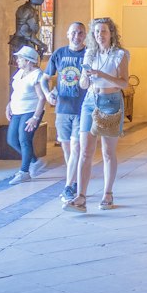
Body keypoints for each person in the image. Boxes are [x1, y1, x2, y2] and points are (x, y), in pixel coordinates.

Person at [66, 16, 129, 212]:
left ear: (111, 33)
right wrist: (85, 78)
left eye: (103, 31)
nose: (99, 35)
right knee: (85, 151)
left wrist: (101, 75)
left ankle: (107, 193)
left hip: (111, 102)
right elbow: (84, 84)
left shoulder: (120, 54)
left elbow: (124, 83)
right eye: (96, 32)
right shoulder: (90, 55)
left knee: (107, 152)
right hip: (90, 101)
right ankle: (81, 197)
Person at [41, 21, 87, 205]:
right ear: (68, 34)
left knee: (76, 147)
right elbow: (45, 79)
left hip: (81, 108)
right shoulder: (59, 54)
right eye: (74, 32)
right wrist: (47, 93)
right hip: (62, 109)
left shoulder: (88, 54)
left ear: (85, 35)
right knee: (67, 149)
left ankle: (68, 186)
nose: (77, 36)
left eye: (81, 33)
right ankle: (74, 181)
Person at [5, 44, 46, 184]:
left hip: (30, 111)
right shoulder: (19, 73)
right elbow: (16, 91)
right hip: (17, 110)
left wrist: (35, 117)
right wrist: (9, 105)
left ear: (28, 61)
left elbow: (42, 97)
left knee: (24, 139)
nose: (17, 60)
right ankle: (34, 160)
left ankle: (24, 172)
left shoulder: (37, 75)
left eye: (20, 58)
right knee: (11, 140)